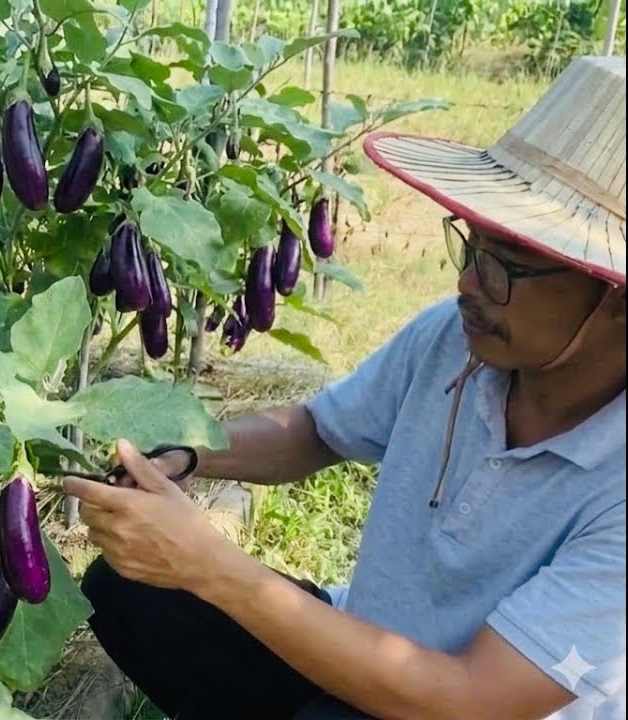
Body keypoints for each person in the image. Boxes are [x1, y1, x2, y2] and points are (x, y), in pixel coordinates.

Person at [63, 54, 626, 720]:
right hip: (361, 644)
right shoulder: (453, 338)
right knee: (132, 594)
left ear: (615, 297)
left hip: (456, 706)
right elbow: (315, 433)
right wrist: (189, 454)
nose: (467, 282)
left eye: (505, 265)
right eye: (470, 246)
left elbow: (472, 699)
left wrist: (210, 564)